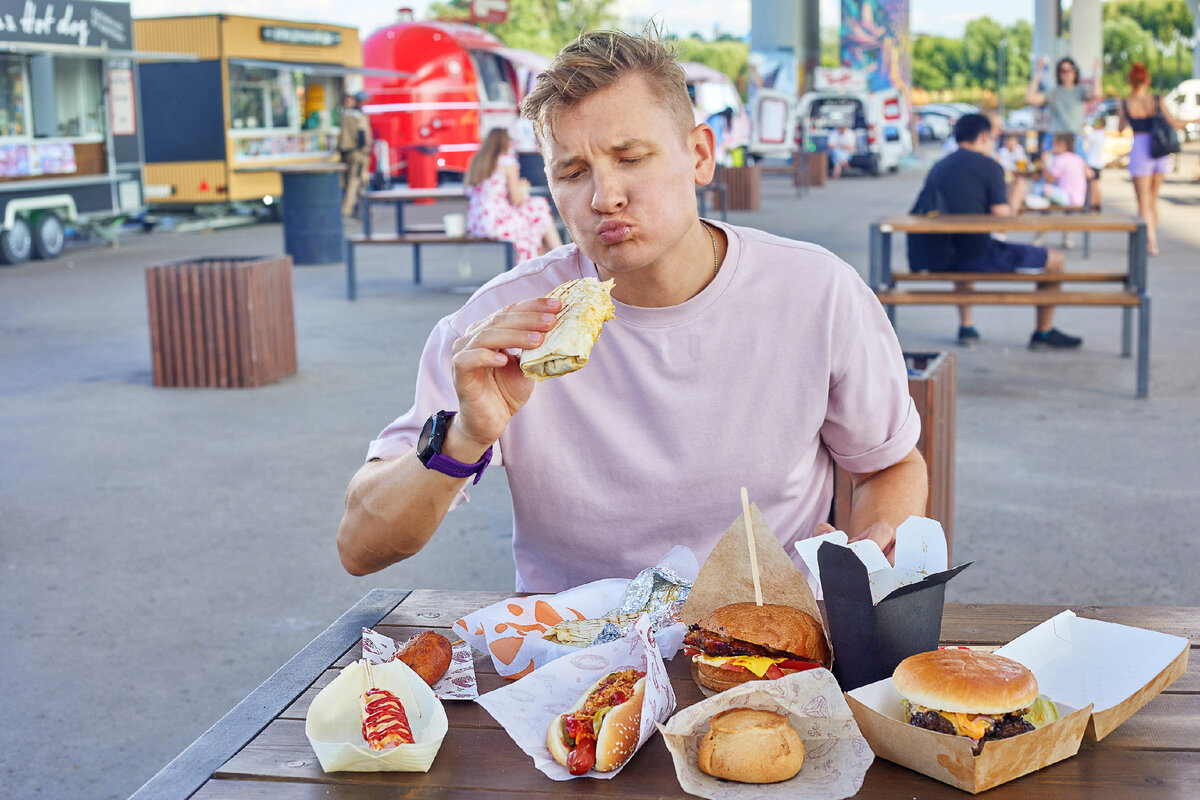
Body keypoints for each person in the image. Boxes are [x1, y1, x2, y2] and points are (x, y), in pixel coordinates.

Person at [336, 29, 928, 592]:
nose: (604, 196)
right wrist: (463, 437)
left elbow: (888, 465)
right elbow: (361, 547)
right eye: (572, 172)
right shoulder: (498, 326)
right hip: (575, 664)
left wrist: (868, 556)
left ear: (699, 154)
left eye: (631, 157)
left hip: (772, 647)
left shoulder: (817, 293)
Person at [906, 114, 1080, 350]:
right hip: (976, 256)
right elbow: (1003, 220)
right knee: (1055, 260)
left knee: (964, 246)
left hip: (941, 256)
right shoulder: (989, 166)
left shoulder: (940, 166)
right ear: (984, 136)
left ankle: (967, 327)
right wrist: (1016, 197)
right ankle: (1044, 332)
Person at [1118, 62, 1197, 256]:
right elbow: (1175, 123)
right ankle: (1151, 238)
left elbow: (1121, 128)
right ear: (1147, 79)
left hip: (1140, 149)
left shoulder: (1126, 103)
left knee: (1143, 201)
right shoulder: (1156, 100)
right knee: (1153, 199)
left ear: (1130, 80)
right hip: (1159, 150)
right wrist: (1195, 120)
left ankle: (1150, 241)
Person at [465, 128, 563, 263]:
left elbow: (468, 190)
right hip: (497, 223)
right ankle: (558, 255)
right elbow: (517, 199)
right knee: (539, 206)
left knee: (534, 218)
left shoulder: (477, 161)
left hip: (477, 223)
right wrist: (522, 187)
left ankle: (548, 257)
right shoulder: (506, 162)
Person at [1025, 56, 1099, 156]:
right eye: (1063, 71)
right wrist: (1038, 71)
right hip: (1056, 139)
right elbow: (1030, 98)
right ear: (1058, 73)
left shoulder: (1080, 91)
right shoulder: (1053, 93)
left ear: (1075, 72)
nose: (1066, 73)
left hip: (1075, 139)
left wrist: (1096, 72)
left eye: (1069, 70)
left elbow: (1097, 94)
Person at [337, 91, 373, 219]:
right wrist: (365, 148)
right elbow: (362, 135)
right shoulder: (360, 117)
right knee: (355, 182)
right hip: (357, 153)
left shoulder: (345, 115)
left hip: (345, 152)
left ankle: (360, 209)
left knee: (348, 182)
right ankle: (347, 211)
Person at [1083, 116, 1107, 211]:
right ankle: (1095, 203)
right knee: (1095, 185)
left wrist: (1085, 126)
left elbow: (1085, 136)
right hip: (1096, 162)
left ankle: (1095, 203)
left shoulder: (1097, 134)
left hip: (1094, 163)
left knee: (1094, 185)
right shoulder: (1100, 134)